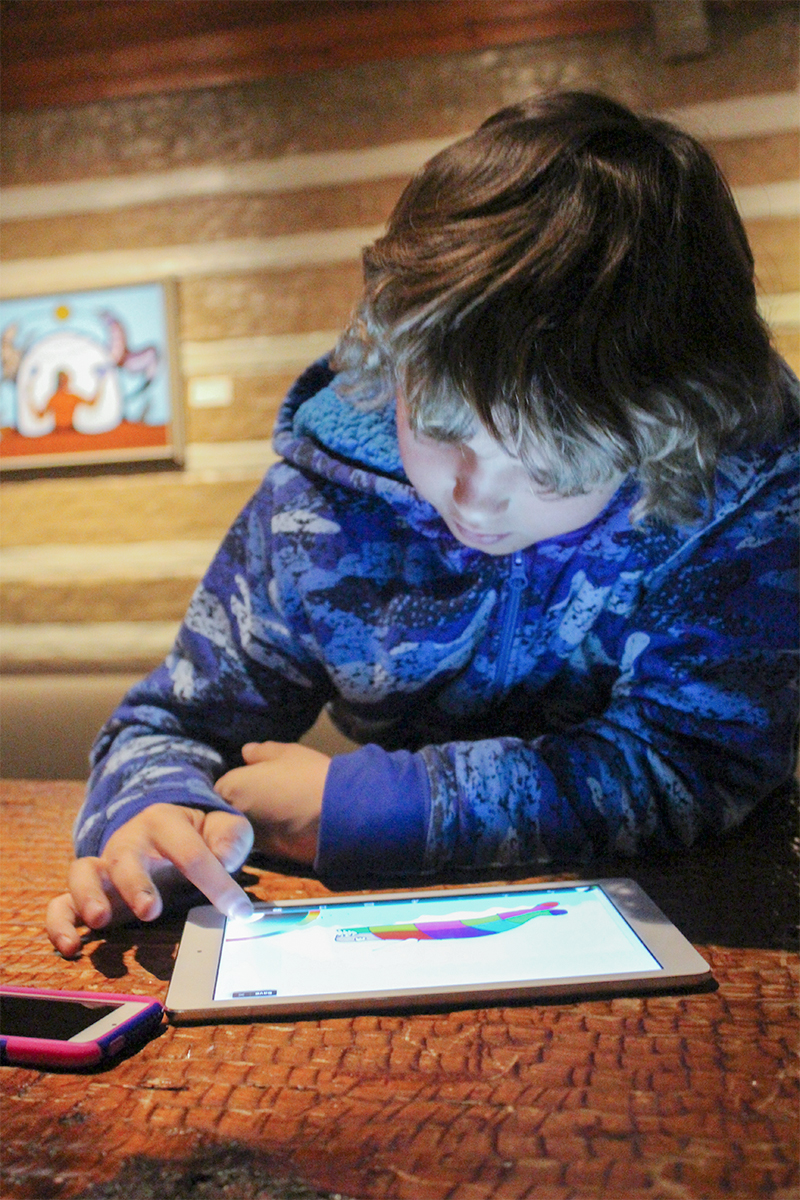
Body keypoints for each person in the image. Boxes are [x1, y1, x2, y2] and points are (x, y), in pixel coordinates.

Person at [47, 91, 798, 957]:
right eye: (439, 430)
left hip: (720, 941)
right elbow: (169, 724)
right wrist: (151, 812)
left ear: (666, 436)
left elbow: (699, 758)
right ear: (390, 361)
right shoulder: (318, 505)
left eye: (556, 469)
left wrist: (374, 808)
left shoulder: (737, 498)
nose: (475, 497)